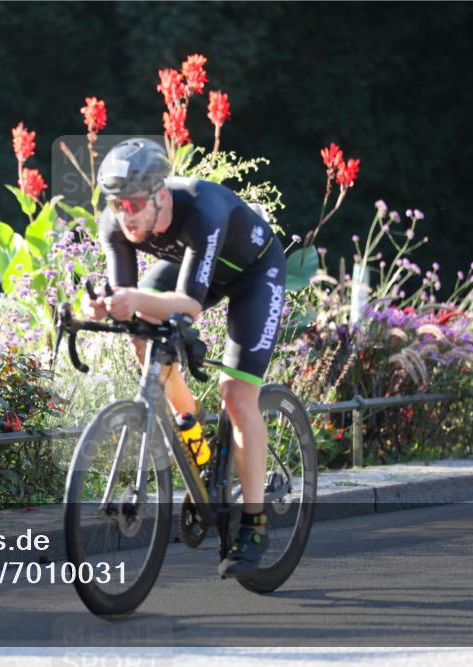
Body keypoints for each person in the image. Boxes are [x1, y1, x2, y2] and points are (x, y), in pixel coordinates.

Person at [81, 137, 286, 579]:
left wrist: (132, 298)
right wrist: (101, 306)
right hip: (191, 272)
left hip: (253, 274)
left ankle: (254, 523)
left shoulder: (202, 209)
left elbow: (190, 305)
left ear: (159, 194)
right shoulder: (116, 223)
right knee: (141, 335)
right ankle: (189, 425)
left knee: (237, 394)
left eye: (134, 203)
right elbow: (127, 300)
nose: (126, 215)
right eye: (117, 204)